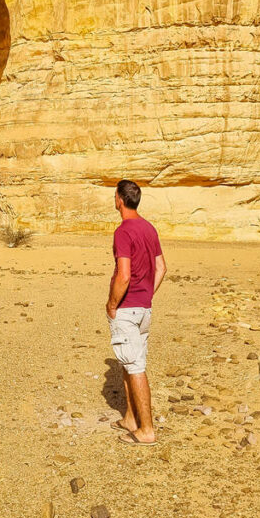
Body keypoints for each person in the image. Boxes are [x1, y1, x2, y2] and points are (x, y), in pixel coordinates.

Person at [106, 179, 166, 446]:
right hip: (143, 309)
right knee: (128, 364)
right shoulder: (149, 228)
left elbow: (124, 275)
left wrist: (112, 303)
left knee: (136, 367)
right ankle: (131, 419)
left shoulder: (123, 231)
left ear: (119, 199)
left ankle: (147, 430)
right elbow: (162, 268)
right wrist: (147, 295)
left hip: (127, 309)